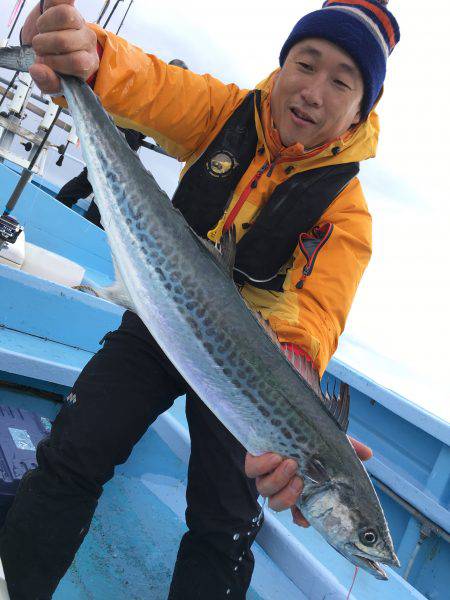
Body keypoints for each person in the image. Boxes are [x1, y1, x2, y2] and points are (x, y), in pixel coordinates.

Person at [0, 0, 400, 598]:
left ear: (361, 108)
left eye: (341, 81)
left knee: (225, 527)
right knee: (73, 451)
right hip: (163, 310)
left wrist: (292, 376)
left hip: (249, 373)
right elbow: (155, 86)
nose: (314, 91)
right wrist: (93, 56)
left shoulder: (348, 214)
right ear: (283, 64)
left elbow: (318, 312)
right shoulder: (226, 112)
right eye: (306, 63)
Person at [55, 127, 145, 228]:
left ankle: (60, 205)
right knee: (104, 189)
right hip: (123, 142)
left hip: (111, 136)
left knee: (91, 179)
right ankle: (91, 226)